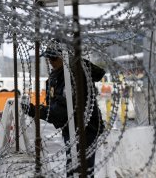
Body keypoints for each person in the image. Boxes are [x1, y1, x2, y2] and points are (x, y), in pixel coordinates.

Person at [23, 40, 105, 177]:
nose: (50, 61)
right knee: (73, 169)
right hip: (72, 128)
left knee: (79, 171)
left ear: (64, 57)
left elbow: (61, 111)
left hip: (84, 130)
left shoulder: (73, 75)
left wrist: (34, 110)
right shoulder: (59, 73)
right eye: (48, 57)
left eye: (53, 58)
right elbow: (54, 105)